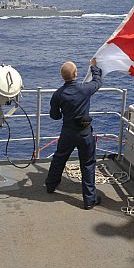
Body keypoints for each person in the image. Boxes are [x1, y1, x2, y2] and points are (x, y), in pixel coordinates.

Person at [45, 58, 103, 209]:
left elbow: (54, 115)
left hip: (68, 133)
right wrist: (93, 67)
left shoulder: (58, 94)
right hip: (84, 134)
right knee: (88, 164)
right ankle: (89, 200)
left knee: (59, 159)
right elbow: (97, 82)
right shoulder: (85, 89)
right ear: (76, 74)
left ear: (62, 76)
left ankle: (50, 186)